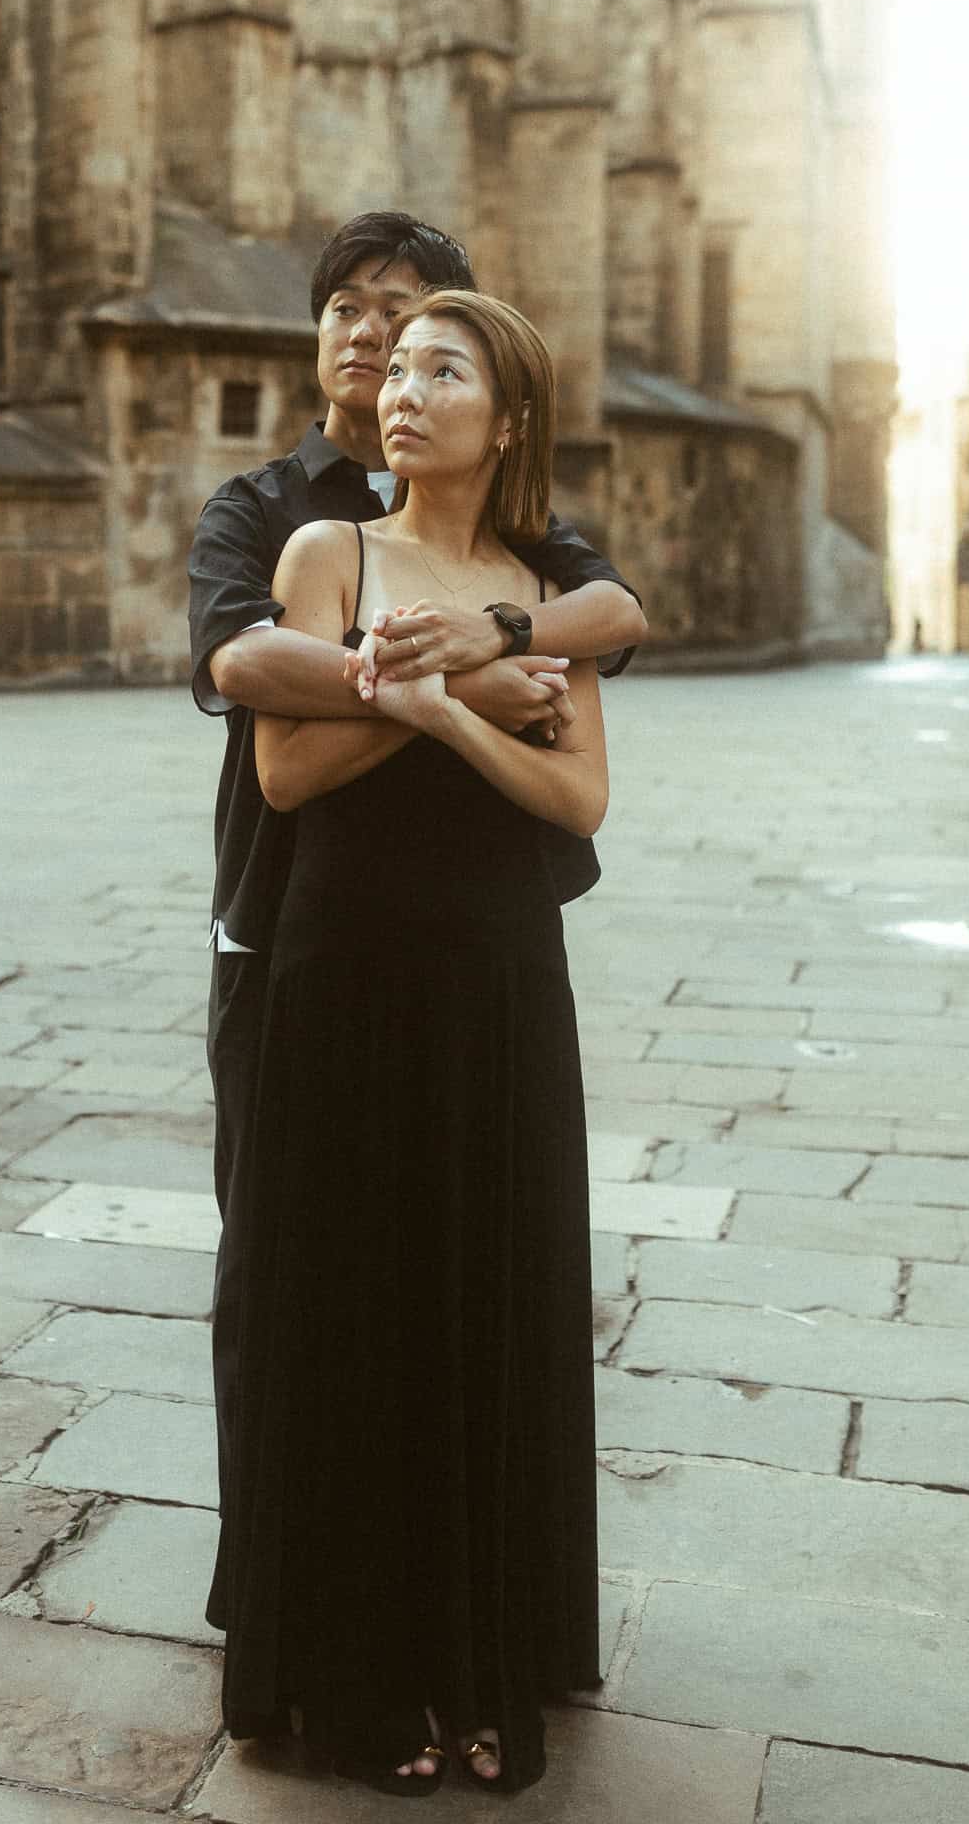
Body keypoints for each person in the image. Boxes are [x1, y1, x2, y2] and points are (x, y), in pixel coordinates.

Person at [208, 290, 606, 1798]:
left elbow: (580, 800)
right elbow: (288, 769)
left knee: (483, 1296)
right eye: (400, 369)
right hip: (346, 963)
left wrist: (454, 706)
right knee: (352, 1301)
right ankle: (359, 1681)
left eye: (446, 371)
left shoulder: (542, 586)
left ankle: (483, 1663)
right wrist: (444, 704)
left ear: (508, 421)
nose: (404, 388)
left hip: (499, 977)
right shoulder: (329, 553)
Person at [186, 212, 645, 1520]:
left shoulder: (527, 542)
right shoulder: (270, 512)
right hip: (287, 917)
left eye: (410, 322)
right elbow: (243, 663)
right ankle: (288, 1561)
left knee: (467, 1264)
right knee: (283, 1261)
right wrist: (456, 688)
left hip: (475, 939)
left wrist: (492, 631)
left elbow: (611, 615)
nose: (375, 342)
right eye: (350, 310)